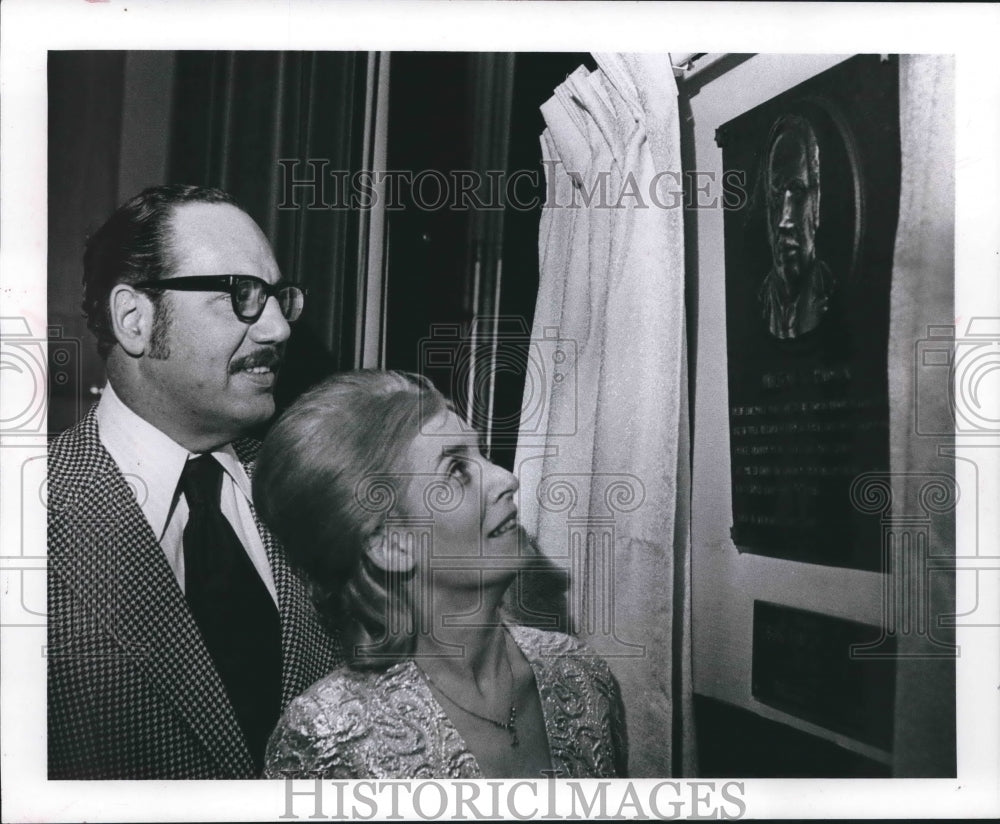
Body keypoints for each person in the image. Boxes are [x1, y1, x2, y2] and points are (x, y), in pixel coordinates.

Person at [47, 184, 342, 779]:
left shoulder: (316, 486)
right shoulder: (29, 518)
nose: (280, 329)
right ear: (135, 319)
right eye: (242, 295)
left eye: (279, 296)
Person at [253, 370, 628, 779]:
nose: (507, 479)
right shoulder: (328, 740)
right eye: (456, 470)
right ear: (389, 544)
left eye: (480, 454)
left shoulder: (582, 676)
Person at [758, 113, 835, 340]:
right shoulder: (763, 301)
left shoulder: (829, 290)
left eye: (798, 191)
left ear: (816, 200)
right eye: (776, 195)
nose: (785, 221)